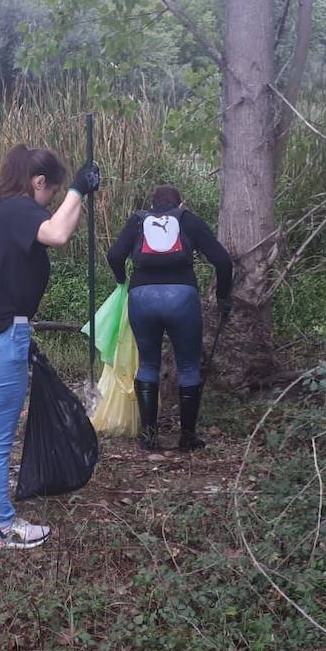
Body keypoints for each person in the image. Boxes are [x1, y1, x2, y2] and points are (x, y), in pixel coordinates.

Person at [0, 144, 101, 550]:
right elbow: (58, 233)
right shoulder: (19, 209)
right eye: (51, 191)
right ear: (37, 183)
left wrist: (72, 194)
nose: (50, 199)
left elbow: (50, 229)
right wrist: (80, 191)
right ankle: (3, 527)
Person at [107, 185, 232, 452]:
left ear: (152, 206)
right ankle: (187, 437)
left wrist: (121, 280)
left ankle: (148, 437)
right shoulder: (188, 219)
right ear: (180, 204)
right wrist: (223, 298)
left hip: (141, 296)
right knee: (189, 367)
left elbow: (115, 255)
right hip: (182, 297)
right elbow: (222, 260)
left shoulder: (138, 220)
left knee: (148, 364)